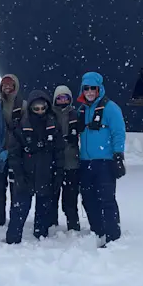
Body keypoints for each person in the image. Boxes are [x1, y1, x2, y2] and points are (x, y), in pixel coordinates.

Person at [5, 90, 64, 244]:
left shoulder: (54, 125)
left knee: (44, 210)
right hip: (26, 174)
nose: (39, 111)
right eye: (36, 108)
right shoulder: (22, 126)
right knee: (19, 209)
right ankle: (12, 240)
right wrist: (19, 175)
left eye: (42, 108)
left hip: (46, 174)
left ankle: (41, 239)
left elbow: (59, 152)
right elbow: (14, 154)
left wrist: (58, 174)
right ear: (30, 108)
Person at [77, 71, 126, 246]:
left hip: (104, 162)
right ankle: (97, 230)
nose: (90, 92)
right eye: (86, 88)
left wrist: (118, 156)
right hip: (86, 162)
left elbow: (118, 132)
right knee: (88, 198)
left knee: (106, 199)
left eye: (93, 88)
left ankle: (112, 236)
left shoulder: (110, 108)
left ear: (99, 89)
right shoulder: (82, 110)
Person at [0, 74, 25, 227]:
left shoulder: (23, 106)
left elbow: (25, 131)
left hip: (15, 154)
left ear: (16, 86)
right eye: (4, 84)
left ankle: (16, 220)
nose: (7, 87)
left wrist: (13, 149)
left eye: (10, 84)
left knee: (16, 189)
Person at [51, 85, 82, 231]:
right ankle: (51, 225)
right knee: (52, 197)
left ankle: (73, 226)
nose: (62, 100)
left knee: (70, 198)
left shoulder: (75, 114)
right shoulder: (50, 115)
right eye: (59, 98)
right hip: (53, 162)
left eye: (65, 97)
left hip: (71, 162)